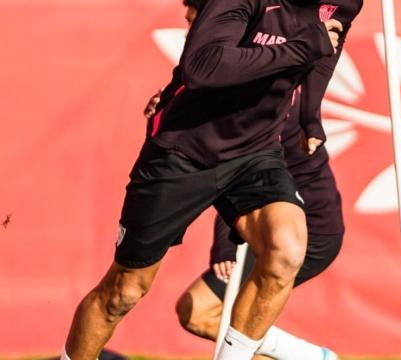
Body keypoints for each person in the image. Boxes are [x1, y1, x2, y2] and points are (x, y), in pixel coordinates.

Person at [60, 0, 360, 358]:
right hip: (184, 151)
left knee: (286, 249)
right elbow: (201, 68)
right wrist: (301, 47)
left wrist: (311, 115)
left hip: (255, 153)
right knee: (122, 293)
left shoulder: (344, 2)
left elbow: (329, 45)